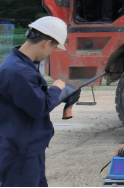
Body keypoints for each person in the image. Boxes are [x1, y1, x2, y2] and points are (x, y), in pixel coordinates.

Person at [0, 16, 68, 187]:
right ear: (46, 43)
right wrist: (56, 89)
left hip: (26, 148)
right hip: (20, 153)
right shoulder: (19, 71)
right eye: (53, 48)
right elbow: (39, 107)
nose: (50, 53)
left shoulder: (17, 64)